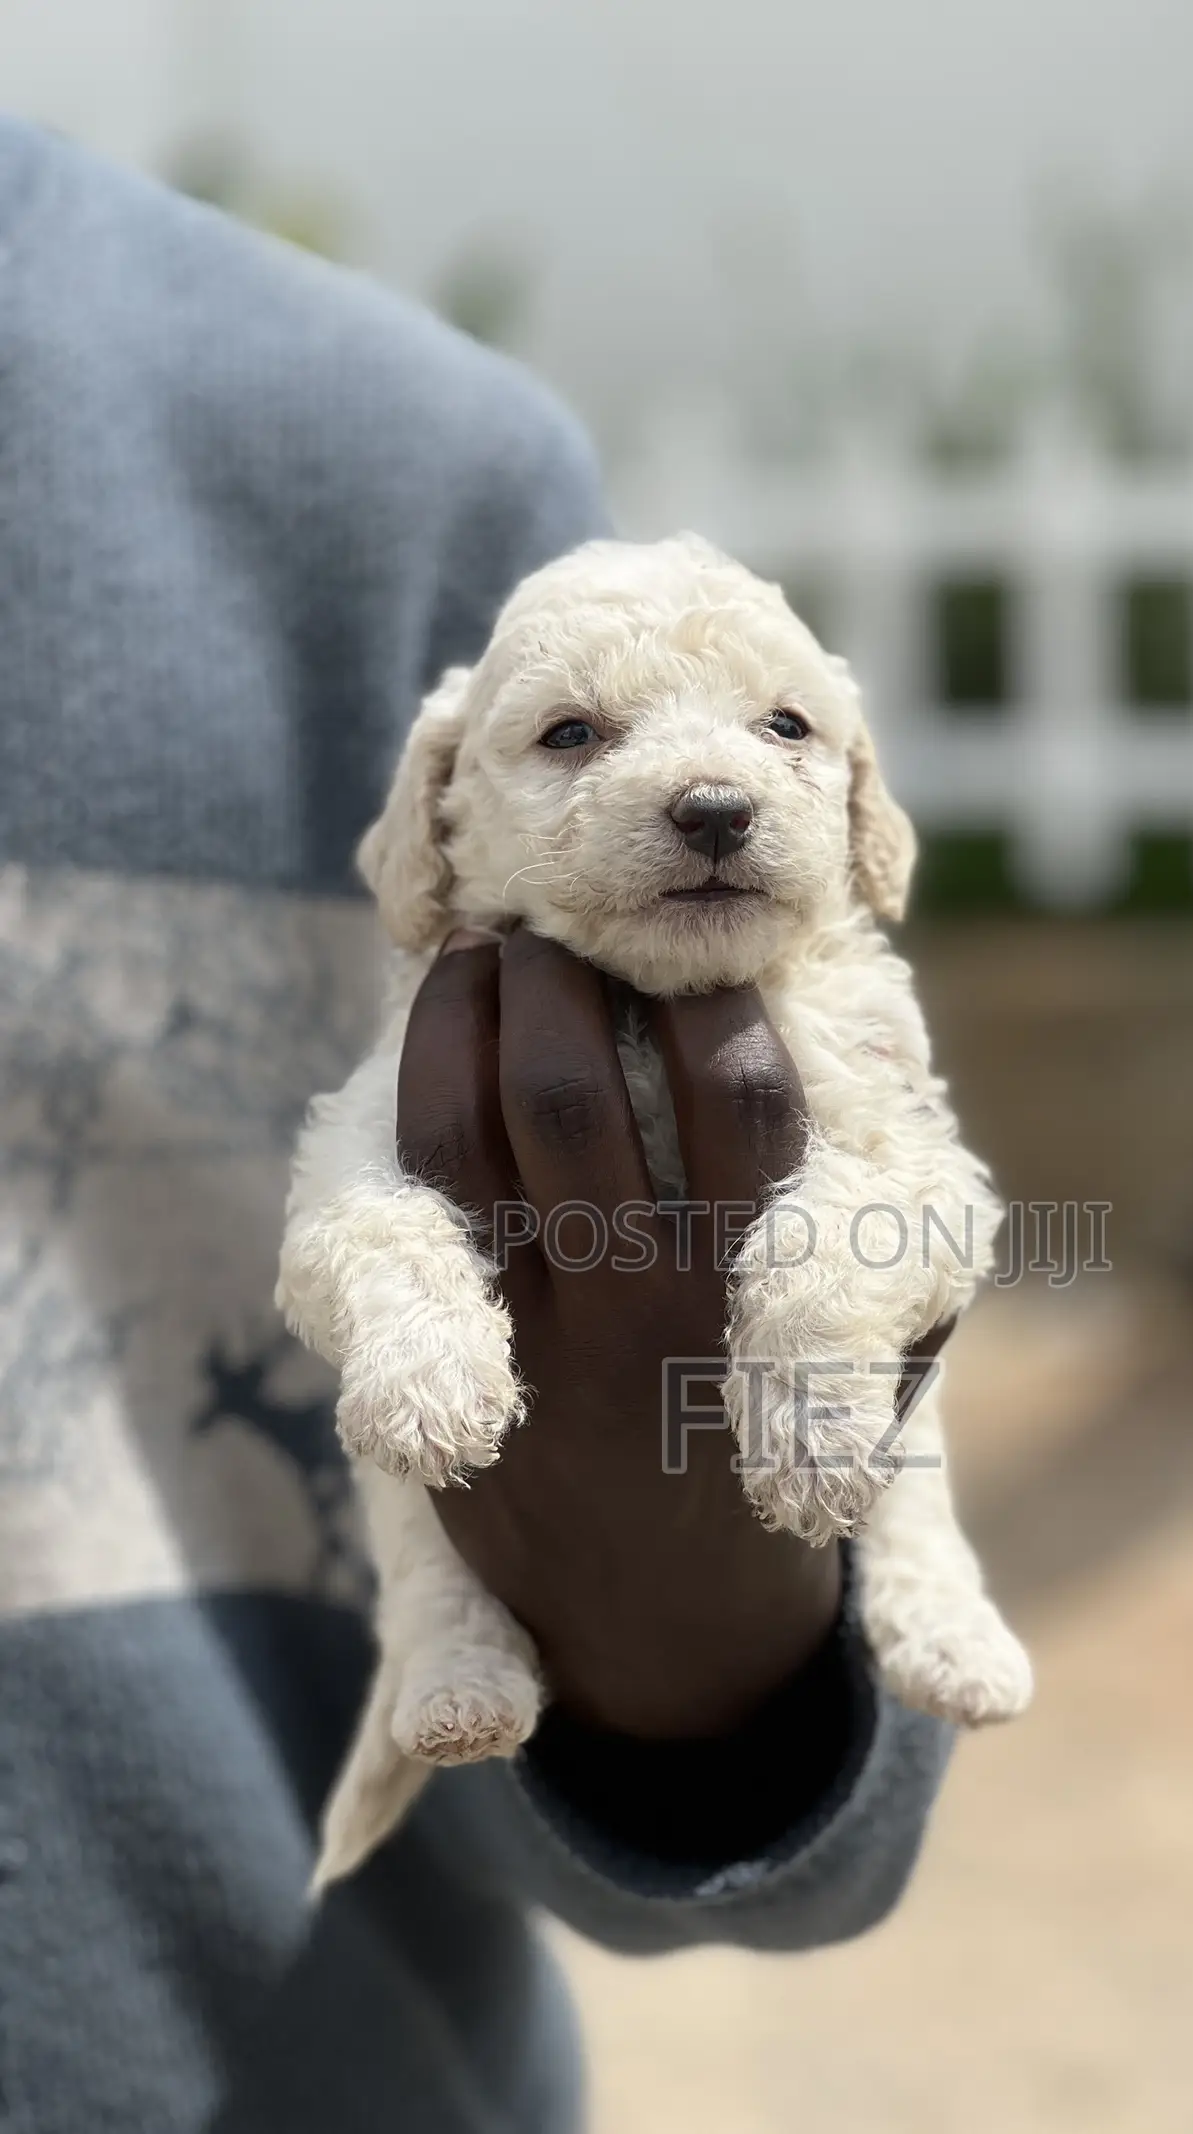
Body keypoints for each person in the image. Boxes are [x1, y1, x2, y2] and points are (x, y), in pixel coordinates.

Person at [0, 115, 950, 2133]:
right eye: (586, 738)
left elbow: (778, 1809)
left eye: (779, 739)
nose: (700, 788)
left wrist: (700, 1622)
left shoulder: (390, 470)